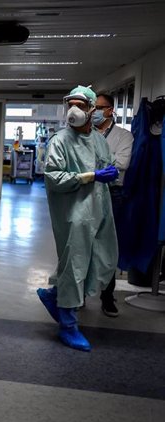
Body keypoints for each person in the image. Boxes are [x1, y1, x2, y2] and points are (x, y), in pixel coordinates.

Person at [37, 85, 118, 352]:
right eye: (71, 104)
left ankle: (54, 294)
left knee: (102, 259)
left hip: (99, 209)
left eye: (81, 105)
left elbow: (105, 167)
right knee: (75, 265)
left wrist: (107, 174)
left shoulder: (98, 139)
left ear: (93, 109)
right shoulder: (60, 140)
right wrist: (91, 176)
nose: (75, 110)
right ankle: (68, 326)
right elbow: (53, 178)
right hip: (74, 213)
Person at [92, 93, 134, 317]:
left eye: (100, 107)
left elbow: (122, 164)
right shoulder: (85, 132)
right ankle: (78, 294)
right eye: (93, 107)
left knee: (109, 247)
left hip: (113, 193)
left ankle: (107, 296)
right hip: (87, 191)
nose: (95, 112)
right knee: (84, 243)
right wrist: (103, 164)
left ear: (110, 110)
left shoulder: (123, 136)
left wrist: (93, 162)